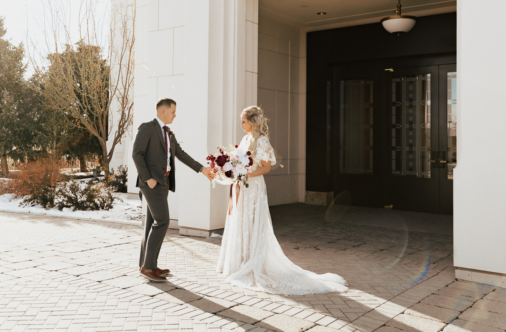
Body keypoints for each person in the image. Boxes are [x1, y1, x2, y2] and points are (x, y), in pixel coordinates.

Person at [216, 106, 347, 295]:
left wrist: (246, 173)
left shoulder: (262, 141)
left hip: (254, 187)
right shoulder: (245, 139)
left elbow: (267, 167)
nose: (241, 124)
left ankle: (255, 262)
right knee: (243, 221)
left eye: (243, 121)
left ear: (252, 122)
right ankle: (242, 261)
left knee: (254, 223)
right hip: (244, 187)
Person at [132, 98, 214, 282]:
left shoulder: (169, 133)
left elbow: (181, 154)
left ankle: (147, 264)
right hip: (151, 184)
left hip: (164, 184)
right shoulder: (147, 128)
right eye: (173, 112)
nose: (175, 115)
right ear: (163, 111)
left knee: (152, 223)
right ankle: (148, 268)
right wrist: (148, 179)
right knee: (162, 221)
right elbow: (137, 154)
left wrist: (202, 169)